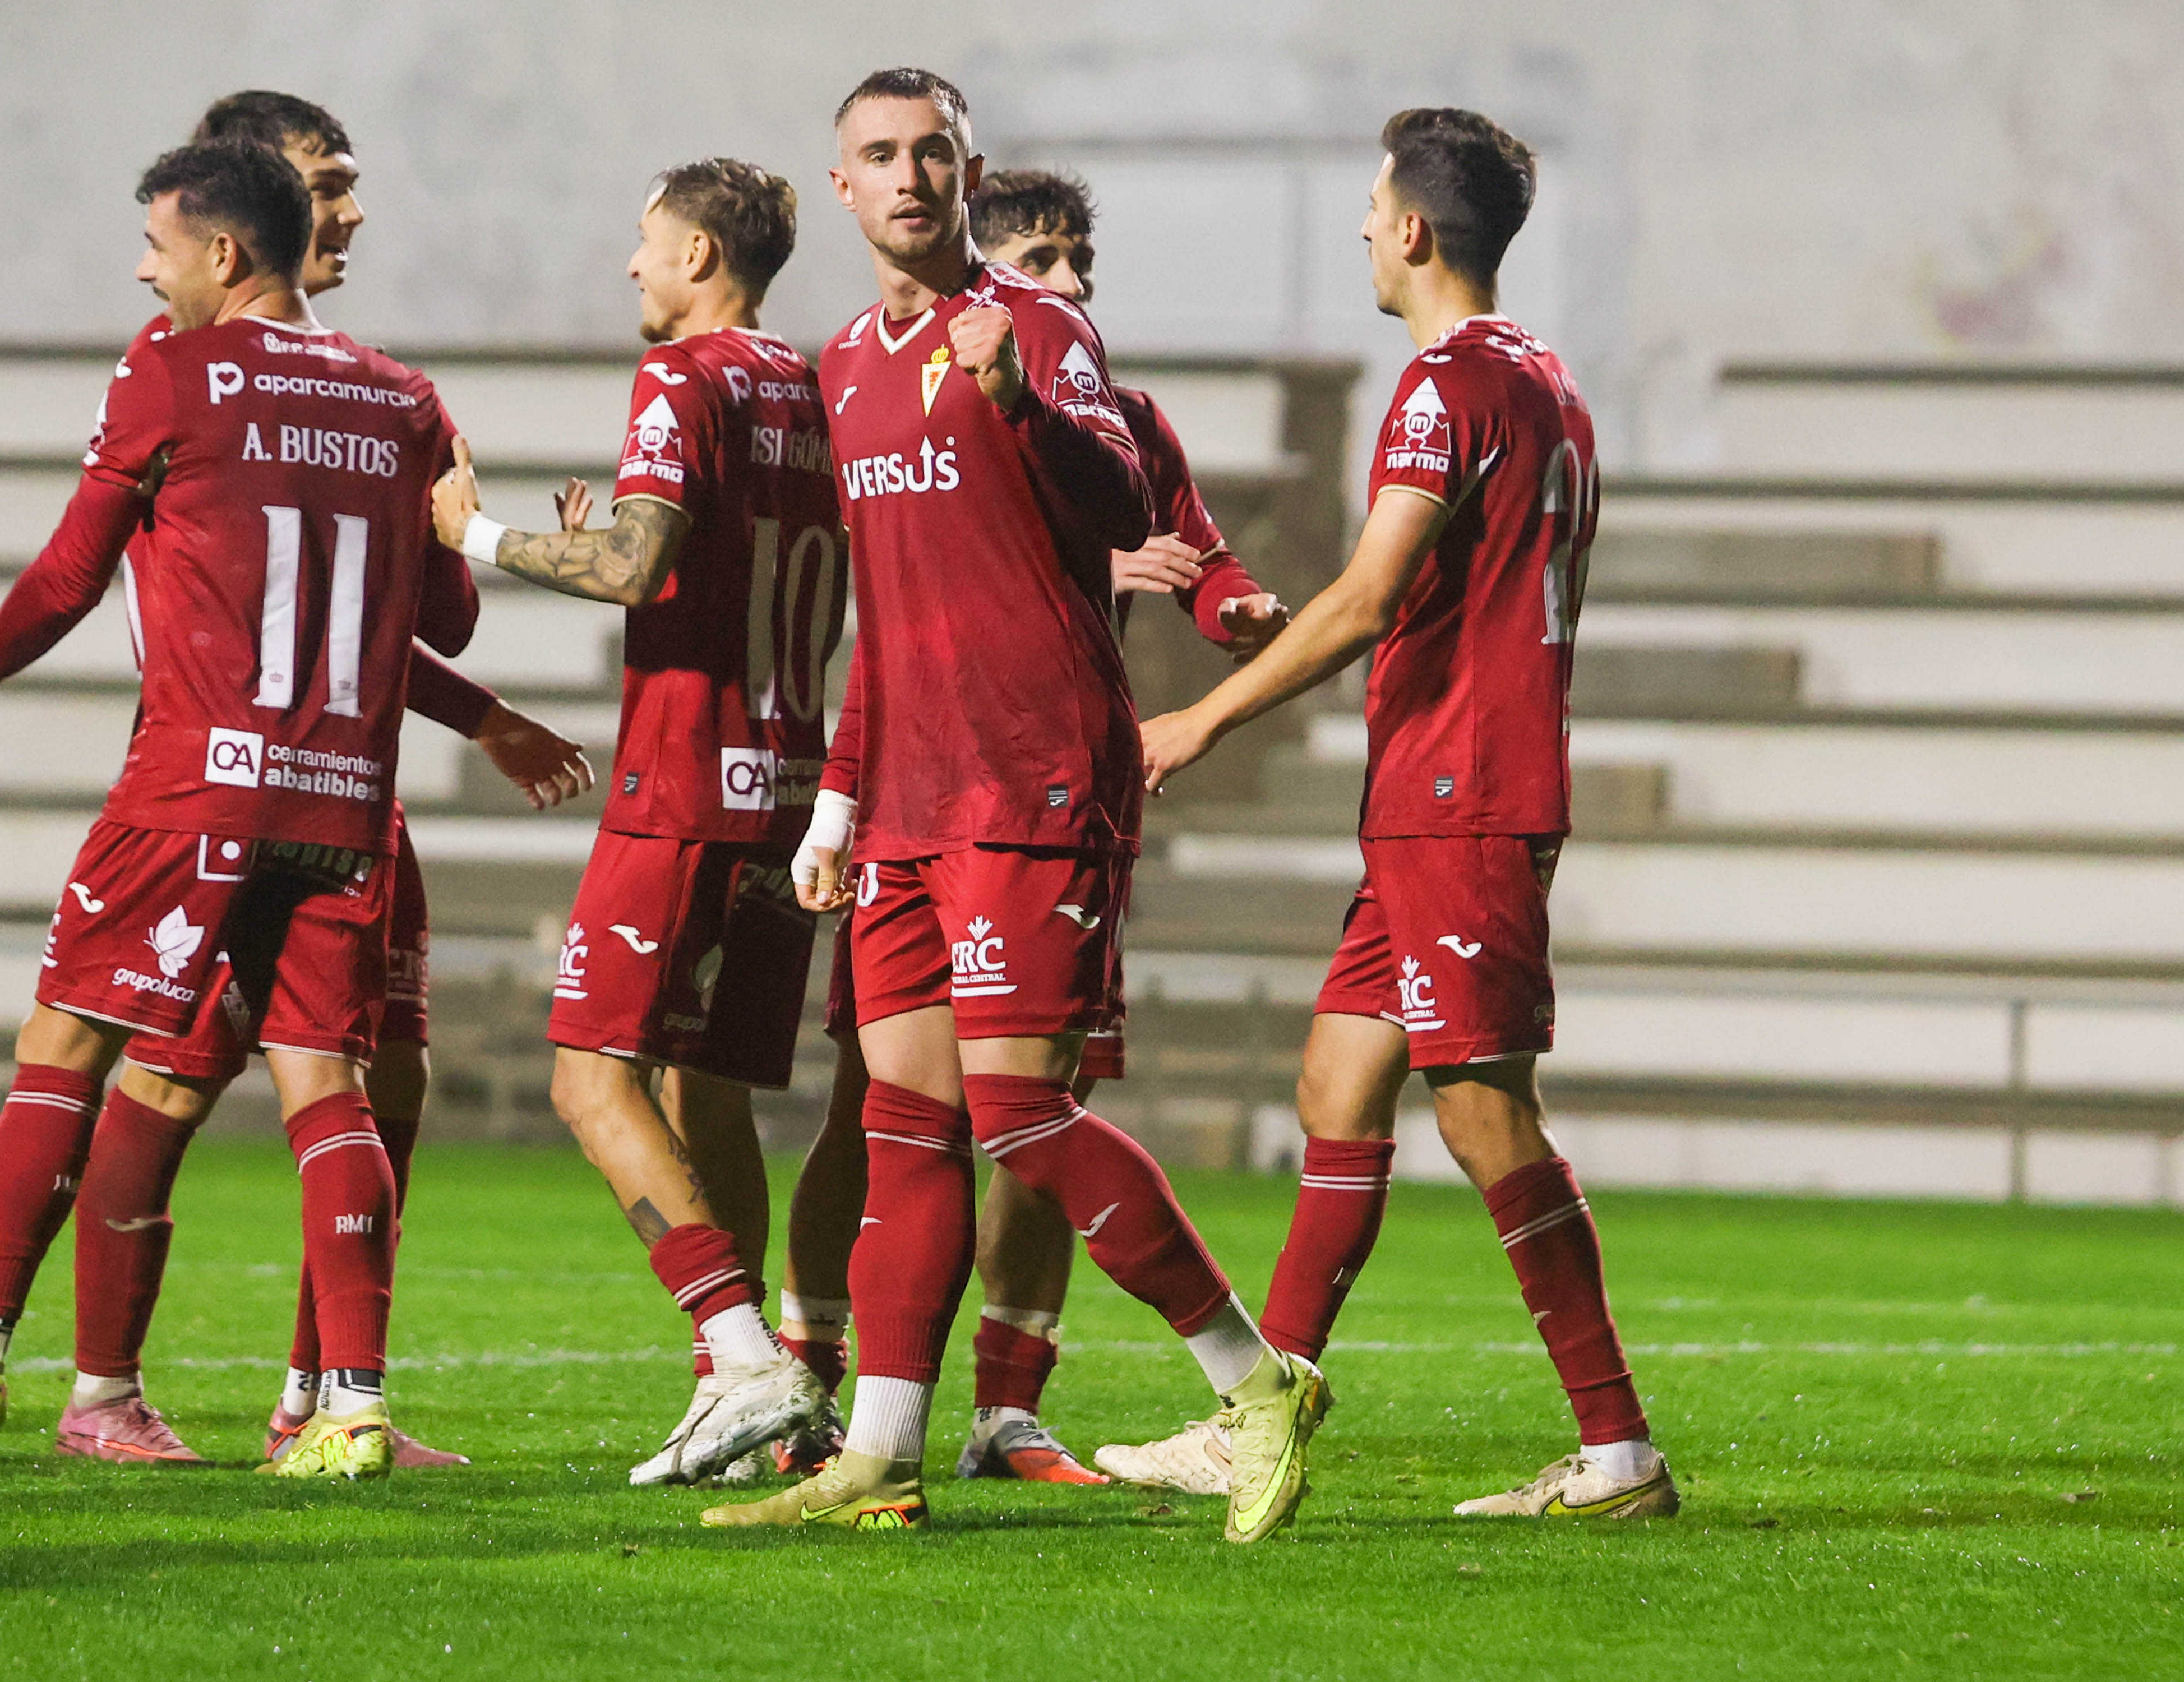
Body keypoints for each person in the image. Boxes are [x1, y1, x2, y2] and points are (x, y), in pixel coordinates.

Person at [700, 68, 1323, 1544]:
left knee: (1021, 1121)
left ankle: (1253, 1382)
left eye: (934, 153)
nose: (909, 176)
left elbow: (1124, 503)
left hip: (1035, 774)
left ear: (967, 176)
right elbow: (882, 609)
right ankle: (882, 1455)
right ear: (841, 186)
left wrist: (1017, 403)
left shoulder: (1038, 330)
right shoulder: (842, 364)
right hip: (907, 792)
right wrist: (837, 805)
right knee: (907, 1128)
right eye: (879, 156)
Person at [0, 138, 481, 1482]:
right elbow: (449, 612)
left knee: (63, 1036)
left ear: (223, 254)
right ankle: (344, 1406)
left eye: (158, 245)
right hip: (348, 798)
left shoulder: (172, 372)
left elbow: (79, 563)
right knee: (330, 1086)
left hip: (194, 785)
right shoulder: (405, 397)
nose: (145, 269)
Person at [1107, 107, 1679, 1520]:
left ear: (1415, 231)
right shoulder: (1548, 381)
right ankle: (1266, 1405)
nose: (1365, 226)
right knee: (1336, 1089)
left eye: (1372, 208)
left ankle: (1618, 1454)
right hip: (1442, 794)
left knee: (1487, 1118)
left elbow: (1368, 598)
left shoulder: (1440, 390)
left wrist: (1195, 717)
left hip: (1460, 796)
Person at [51, 91, 590, 1471]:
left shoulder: (377, 385)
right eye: (325, 182)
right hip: (226, 791)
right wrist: (486, 709)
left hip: (352, 793)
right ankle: (93, 1387)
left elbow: (428, 618)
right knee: (171, 1084)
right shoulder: (178, 367)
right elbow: (263, 624)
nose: (347, 209)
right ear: (247, 215)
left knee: (377, 1083)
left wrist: (458, 541)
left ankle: (327, 1402)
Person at [431, 158, 841, 1485]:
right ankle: (756, 1395)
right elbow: (704, 565)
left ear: (704, 259)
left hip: (683, 788)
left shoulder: (688, 378)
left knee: (585, 1074)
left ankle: (744, 1356)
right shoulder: (821, 388)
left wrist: (478, 534)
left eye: (648, 244)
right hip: (786, 790)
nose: (633, 267)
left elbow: (635, 563)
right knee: (703, 1089)